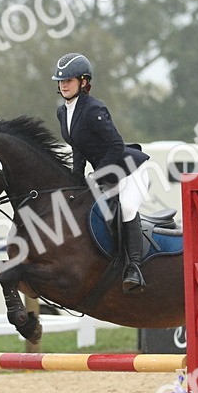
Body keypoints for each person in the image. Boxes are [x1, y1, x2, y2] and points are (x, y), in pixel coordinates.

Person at [52, 52, 151, 293]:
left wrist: (98, 175)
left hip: (130, 170)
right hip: (107, 174)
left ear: (84, 82)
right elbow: (78, 146)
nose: (64, 85)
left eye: (69, 80)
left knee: (127, 208)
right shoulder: (63, 112)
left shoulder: (94, 109)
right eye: (61, 81)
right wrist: (75, 177)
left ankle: (134, 268)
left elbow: (116, 144)